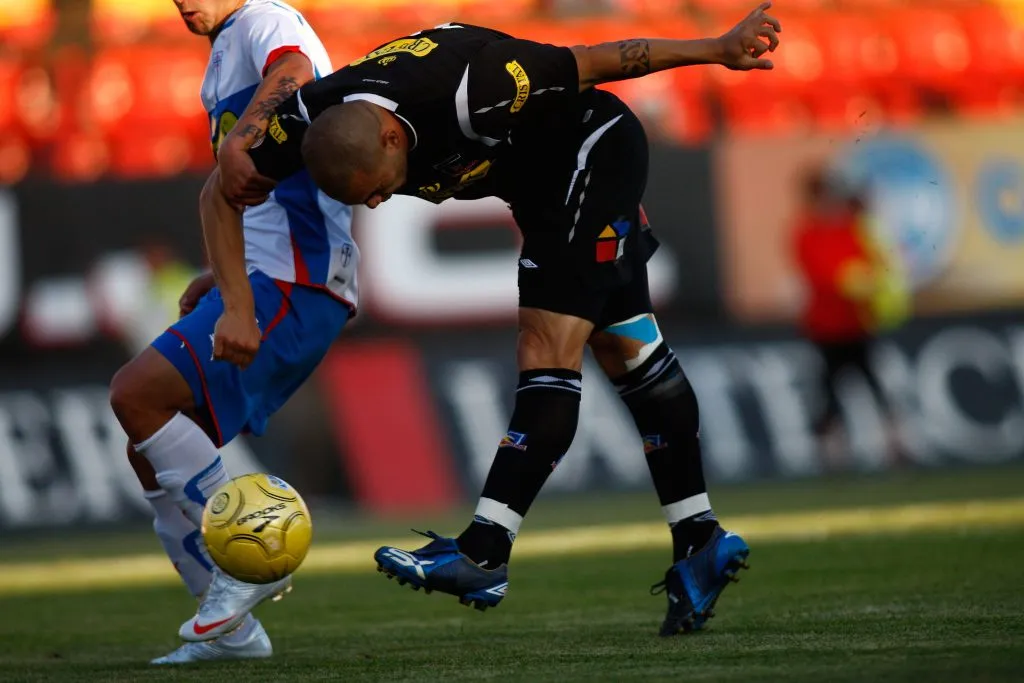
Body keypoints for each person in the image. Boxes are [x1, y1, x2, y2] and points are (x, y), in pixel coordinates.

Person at [203, 4, 782, 637]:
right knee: (629, 349)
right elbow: (221, 193)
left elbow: (604, 59)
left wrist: (718, 49)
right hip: (535, 186)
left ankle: (484, 552)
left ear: (393, 138)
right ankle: (700, 540)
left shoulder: (478, 86)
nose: (375, 200)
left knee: (545, 343)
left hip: (591, 154)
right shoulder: (305, 119)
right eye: (364, 198)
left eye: (379, 187)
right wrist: (233, 288)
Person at [107, 0, 358, 663]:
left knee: (135, 394)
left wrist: (241, 134)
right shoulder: (219, 57)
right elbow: (253, 192)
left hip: (296, 279)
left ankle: (260, 550)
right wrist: (223, 280)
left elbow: (296, 70)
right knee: (147, 446)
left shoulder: (265, 20)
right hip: (265, 274)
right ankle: (234, 633)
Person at [791, 167, 909, 464]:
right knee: (828, 392)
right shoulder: (806, 232)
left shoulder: (852, 227)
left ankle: (896, 447)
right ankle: (833, 455)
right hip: (825, 327)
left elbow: (876, 261)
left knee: (875, 386)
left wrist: (869, 283)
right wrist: (851, 280)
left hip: (856, 323)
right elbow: (819, 274)